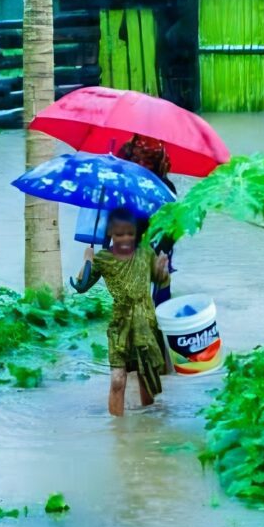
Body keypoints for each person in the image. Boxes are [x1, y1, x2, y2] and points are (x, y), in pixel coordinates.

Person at [78, 207, 169, 415]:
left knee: (146, 378)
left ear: (136, 232)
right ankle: (117, 433)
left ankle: (148, 425)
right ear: (110, 233)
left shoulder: (146, 253)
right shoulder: (103, 258)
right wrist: (88, 260)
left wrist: (161, 270)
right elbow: (82, 286)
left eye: (130, 233)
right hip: (121, 326)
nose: (125, 238)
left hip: (146, 324)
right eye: (119, 234)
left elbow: (161, 282)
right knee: (118, 380)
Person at [114, 136, 179, 305]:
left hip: (147, 249)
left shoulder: (164, 187)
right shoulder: (124, 185)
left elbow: (170, 228)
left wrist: (162, 252)